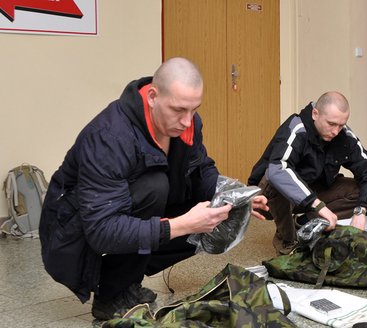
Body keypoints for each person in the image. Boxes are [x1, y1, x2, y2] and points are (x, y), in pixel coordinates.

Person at [38, 57, 269, 321]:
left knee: (215, 216)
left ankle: (126, 283)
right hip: (74, 234)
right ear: (152, 97)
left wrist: (232, 198)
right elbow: (101, 230)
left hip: (122, 215)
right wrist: (182, 225)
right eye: (179, 110)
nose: (186, 120)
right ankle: (110, 294)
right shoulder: (109, 137)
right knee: (154, 188)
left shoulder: (187, 123)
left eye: (194, 109)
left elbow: (201, 168)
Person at [248, 91, 367, 254]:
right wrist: (318, 206)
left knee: (359, 191)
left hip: (312, 193)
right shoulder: (296, 128)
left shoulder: (343, 135)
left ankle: (304, 223)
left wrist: (361, 211)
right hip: (269, 198)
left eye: (341, 125)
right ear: (315, 114)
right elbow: (278, 169)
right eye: (331, 124)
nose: (336, 131)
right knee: (278, 180)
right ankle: (288, 241)